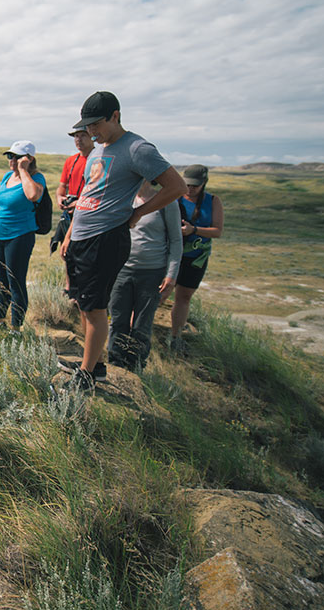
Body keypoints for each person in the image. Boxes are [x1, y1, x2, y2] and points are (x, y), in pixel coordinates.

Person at [58, 91, 185, 390]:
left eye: (96, 124)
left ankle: (87, 377)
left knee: (97, 307)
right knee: (84, 304)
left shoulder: (138, 148)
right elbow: (88, 194)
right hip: (82, 237)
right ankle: (94, 363)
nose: (90, 131)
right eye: (86, 125)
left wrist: (138, 213)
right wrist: (70, 233)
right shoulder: (98, 151)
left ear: (115, 116)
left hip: (106, 239)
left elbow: (176, 186)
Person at [106, 179, 181, 370]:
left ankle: (135, 366)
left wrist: (171, 276)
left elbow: (175, 240)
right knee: (118, 319)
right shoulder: (122, 198)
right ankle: (115, 363)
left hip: (152, 272)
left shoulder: (166, 202)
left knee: (142, 324)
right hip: (121, 270)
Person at [0, 141, 46, 334]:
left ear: (29, 159)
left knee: (15, 281)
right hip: (0, 237)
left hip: (20, 236)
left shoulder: (36, 178)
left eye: (17, 157)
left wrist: (24, 171)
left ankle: (16, 328)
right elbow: (0, 207)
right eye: (10, 156)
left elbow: (33, 196)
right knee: (1, 280)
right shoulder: (6, 177)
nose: (12, 160)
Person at [169, 164, 225, 350]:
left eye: (195, 185)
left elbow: (217, 231)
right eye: (188, 184)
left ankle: (175, 337)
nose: (190, 189)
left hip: (196, 258)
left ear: (204, 183)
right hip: (170, 255)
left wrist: (194, 230)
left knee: (183, 297)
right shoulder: (173, 197)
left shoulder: (213, 201)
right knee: (159, 293)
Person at [54, 127, 94, 297]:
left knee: (83, 254)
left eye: (83, 135)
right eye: (76, 136)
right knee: (66, 252)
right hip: (70, 212)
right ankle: (70, 288)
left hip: (88, 213)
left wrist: (80, 203)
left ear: (92, 137)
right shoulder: (71, 161)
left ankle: (82, 291)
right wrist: (60, 198)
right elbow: (62, 186)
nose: (79, 140)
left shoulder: (98, 160)